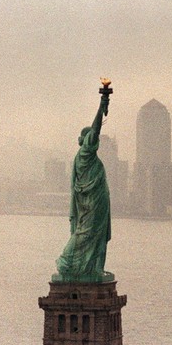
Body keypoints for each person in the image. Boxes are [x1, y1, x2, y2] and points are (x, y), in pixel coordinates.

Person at [54, 89, 112, 282]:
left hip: (95, 199)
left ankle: (93, 267)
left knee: (94, 233)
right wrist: (102, 103)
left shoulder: (84, 156)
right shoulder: (85, 154)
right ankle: (67, 262)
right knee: (86, 232)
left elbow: (94, 131)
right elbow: (96, 129)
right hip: (91, 201)